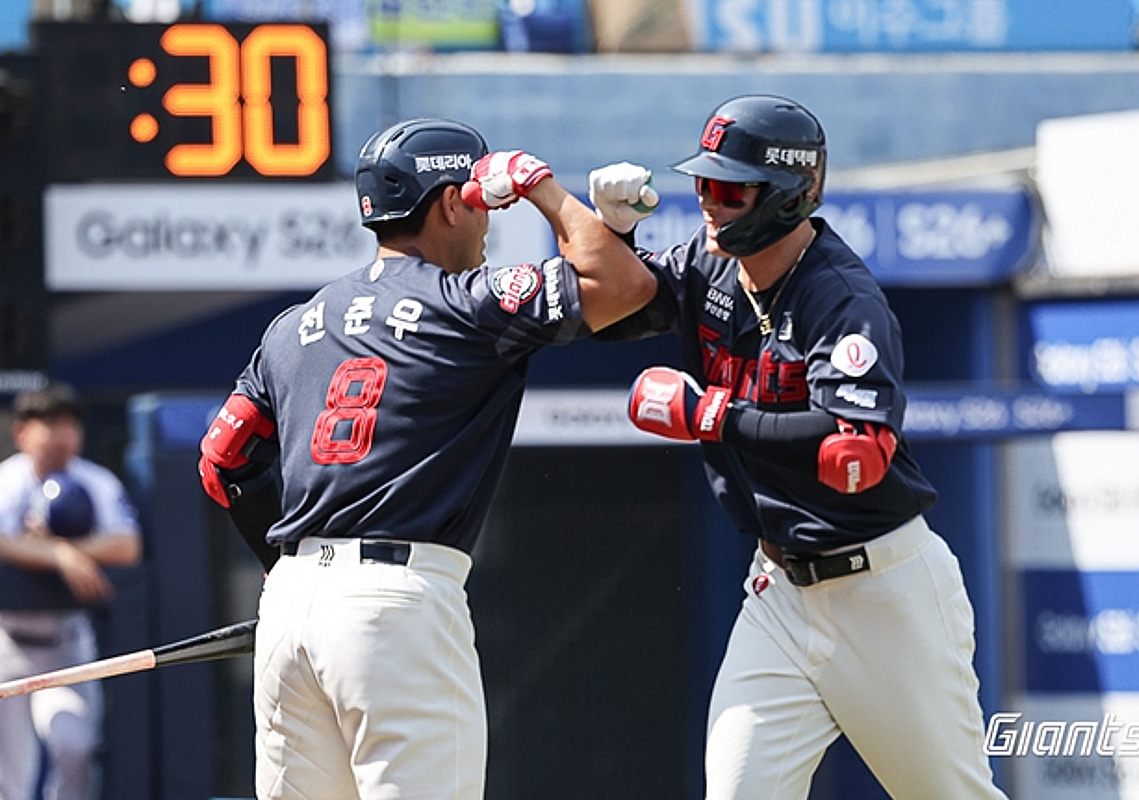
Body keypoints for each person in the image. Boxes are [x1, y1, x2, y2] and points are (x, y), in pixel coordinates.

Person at [196, 117, 657, 800]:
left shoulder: (294, 324)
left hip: (293, 602)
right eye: (479, 200)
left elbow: (221, 459)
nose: (486, 218)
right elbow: (624, 288)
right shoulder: (463, 302)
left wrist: (286, 572)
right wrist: (543, 189)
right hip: (393, 607)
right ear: (448, 203)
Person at [588, 95, 1009, 799]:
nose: (709, 202)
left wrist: (713, 416)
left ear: (789, 193)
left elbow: (855, 456)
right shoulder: (709, 265)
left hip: (884, 593)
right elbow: (608, 307)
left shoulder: (840, 295)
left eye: (729, 189)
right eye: (704, 183)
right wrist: (612, 231)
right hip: (779, 592)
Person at [0, 382, 143, 800]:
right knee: (9, 773)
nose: (62, 435)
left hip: (66, 639)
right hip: (7, 640)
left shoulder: (94, 480)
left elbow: (128, 545)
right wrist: (61, 554)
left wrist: (61, 548)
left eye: (69, 424)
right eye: (50, 423)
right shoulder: (8, 480)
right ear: (22, 432)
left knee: (75, 745)